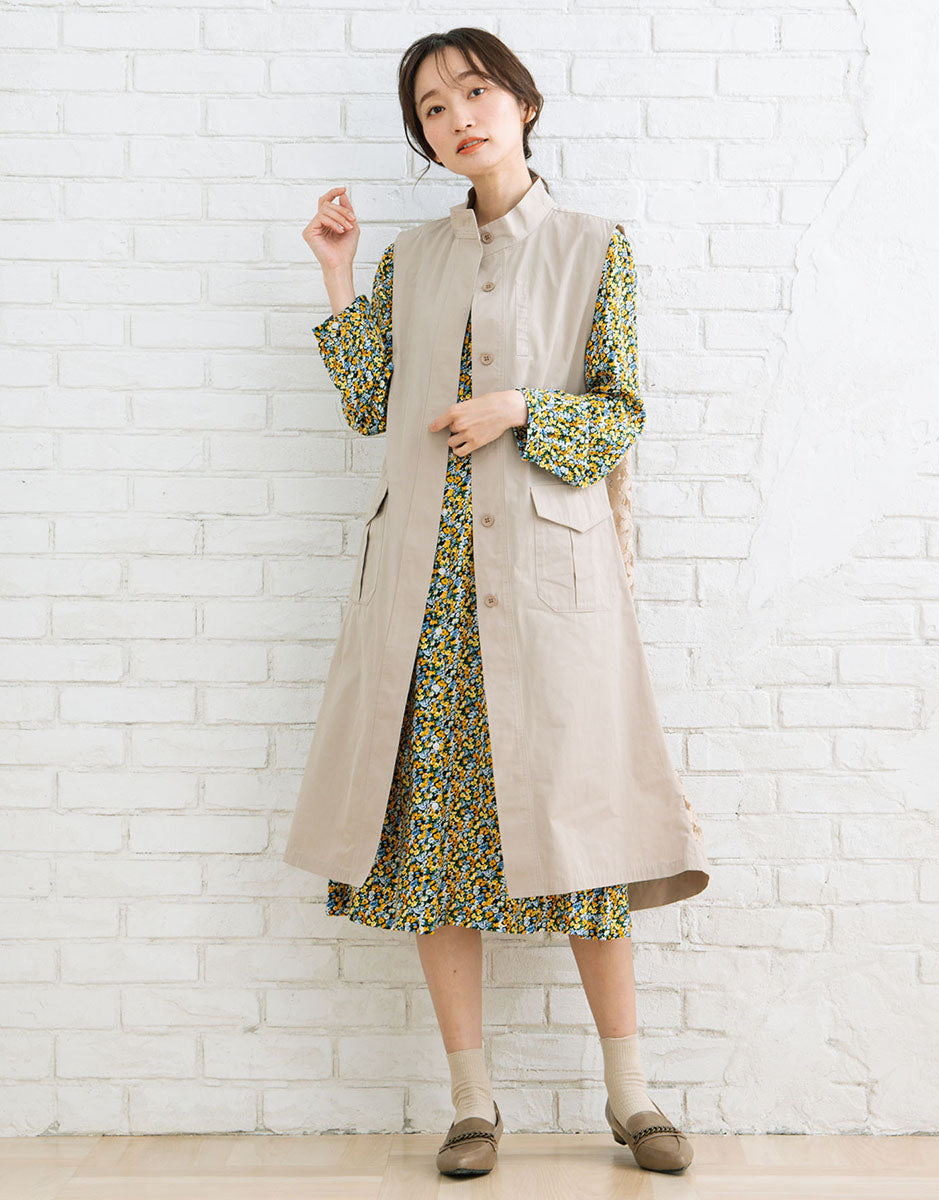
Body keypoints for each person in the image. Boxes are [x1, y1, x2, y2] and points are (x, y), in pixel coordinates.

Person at [293, 27, 708, 1178]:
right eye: (432, 109)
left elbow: (618, 412)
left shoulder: (592, 246)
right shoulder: (412, 258)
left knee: (585, 840)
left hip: (544, 589)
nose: (457, 117)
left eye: (474, 91)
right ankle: (471, 1105)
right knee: (432, 845)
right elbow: (371, 405)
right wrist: (338, 267)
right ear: (423, 139)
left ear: (522, 102)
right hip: (424, 594)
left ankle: (631, 1098)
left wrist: (521, 407)